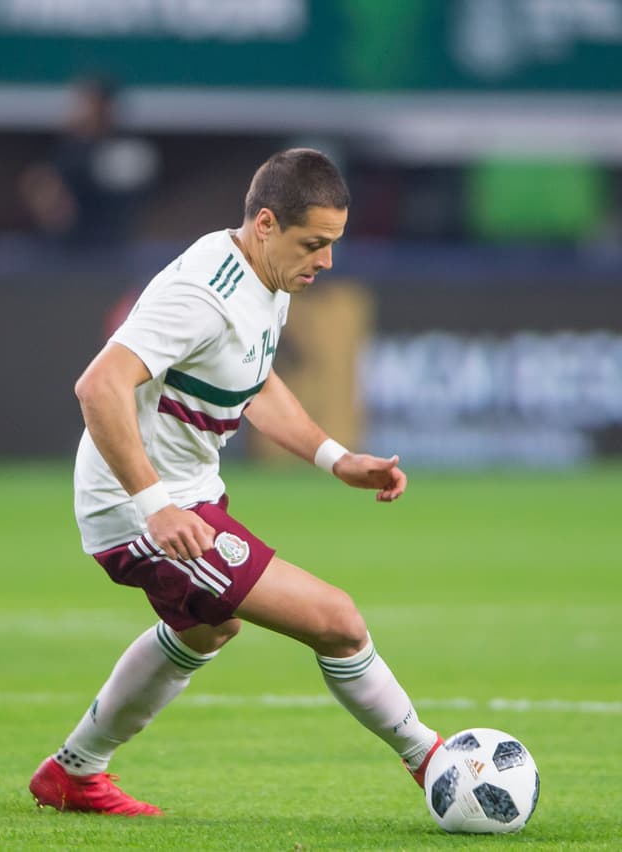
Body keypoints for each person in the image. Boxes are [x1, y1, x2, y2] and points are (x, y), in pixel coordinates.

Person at [28, 149, 443, 816]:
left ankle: (74, 771)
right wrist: (155, 505)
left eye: (333, 245)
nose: (326, 262)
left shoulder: (265, 277)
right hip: (140, 506)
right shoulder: (202, 297)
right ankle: (435, 760)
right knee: (337, 621)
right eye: (315, 244)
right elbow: (98, 386)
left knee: (207, 629)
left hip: (184, 492)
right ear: (267, 224)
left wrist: (335, 458)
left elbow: (251, 380)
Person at [18, 76, 158, 248]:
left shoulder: (126, 150)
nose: (79, 111)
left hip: (110, 250)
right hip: (61, 251)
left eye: (87, 104)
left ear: (104, 107)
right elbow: (46, 191)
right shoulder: (65, 149)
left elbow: (126, 204)